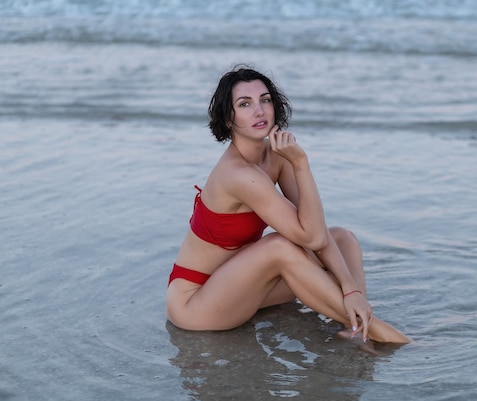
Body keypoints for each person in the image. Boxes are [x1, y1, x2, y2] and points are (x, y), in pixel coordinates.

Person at [166, 65, 410, 345]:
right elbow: (311, 237)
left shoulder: (276, 157)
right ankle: (382, 333)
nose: (259, 110)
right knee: (280, 246)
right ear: (228, 119)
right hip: (198, 305)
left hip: (244, 289)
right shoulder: (239, 174)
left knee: (343, 238)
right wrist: (301, 163)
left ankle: (355, 326)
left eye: (265, 100)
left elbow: (316, 229)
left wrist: (351, 287)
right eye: (244, 104)